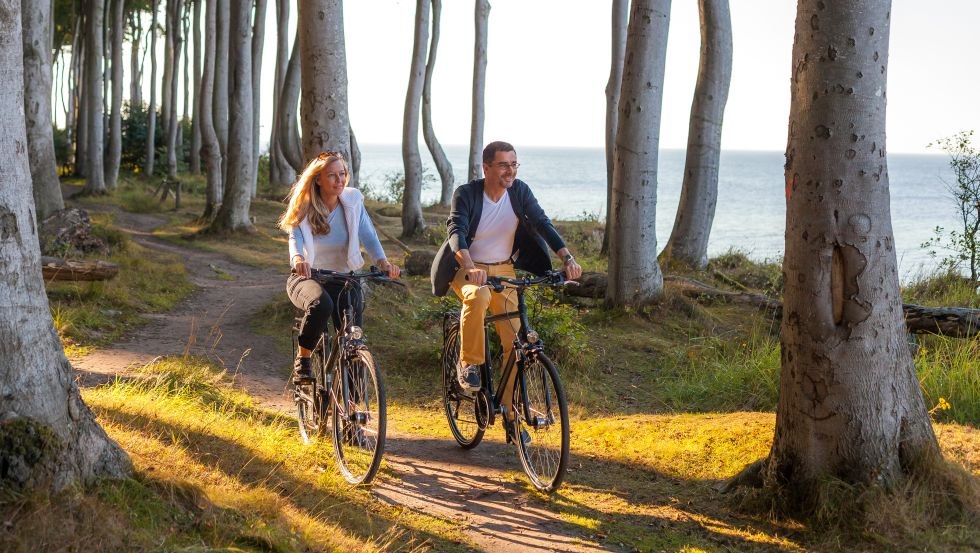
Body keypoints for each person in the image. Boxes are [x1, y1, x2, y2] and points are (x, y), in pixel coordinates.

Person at [430, 141, 583, 411]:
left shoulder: (520, 191)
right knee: (478, 296)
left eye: (513, 164)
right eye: (503, 165)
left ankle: (510, 412)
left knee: (516, 342)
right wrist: (470, 267)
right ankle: (469, 362)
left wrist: (567, 258)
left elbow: (542, 223)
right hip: (467, 268)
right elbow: (457, 232)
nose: (510, 171)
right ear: (486, 168)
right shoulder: (466, 193)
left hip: (504, 269)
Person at [278, 151, 400, 383]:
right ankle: (303, 360)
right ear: (318, 179)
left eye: (342, 174)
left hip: (344, 279)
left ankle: (352, 401)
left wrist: (383, 262)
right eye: (332, 175)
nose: (340, 180)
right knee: (322, 304)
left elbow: (369, 236)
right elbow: (295, 238)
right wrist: (298, 259)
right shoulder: (304, 206)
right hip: (307, 277)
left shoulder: (353, 202)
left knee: (353, 339)